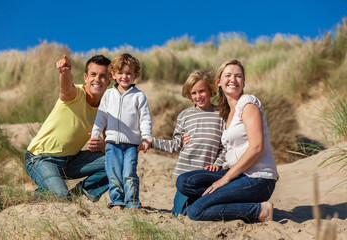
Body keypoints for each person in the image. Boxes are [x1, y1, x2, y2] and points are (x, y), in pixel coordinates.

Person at [176, 59, 279, 222]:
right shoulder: (226, 111)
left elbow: (257, 147)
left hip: (257, 179)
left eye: (238, 76)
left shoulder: (248, 103)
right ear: (219, 82)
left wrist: (225, 179)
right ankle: (220, 200)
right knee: (185, 181)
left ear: (243, 82)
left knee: (196, 211)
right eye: (228, 75)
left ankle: (260, 210)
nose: (233, 79)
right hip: (236, 174)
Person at [25, 55, 111, 202]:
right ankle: (36, 192)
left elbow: (111, 145)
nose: (97, 79)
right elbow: (66, 89)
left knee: (117, 160)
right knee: (61, 196)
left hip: (71, 161)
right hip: (41, 158)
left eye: (103, 76)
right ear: (85, 77)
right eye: (93, 74)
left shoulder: (105, 110)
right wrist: (65, 73)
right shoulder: (76, 94)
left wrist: (103, 146)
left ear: (109, 81)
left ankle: (78, 193)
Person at [147, 70, 225, 216]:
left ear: (210, 89)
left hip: (206, 176)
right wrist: (152, 142)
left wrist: (217, 163)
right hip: (185, 175)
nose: (198, 96)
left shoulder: (220, 114)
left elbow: (224, 145)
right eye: (193, 93)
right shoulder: (185, 115)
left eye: (202, 91)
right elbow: (174, 145)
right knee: (179, 214)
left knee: (199, 212)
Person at [91, 53, 152, 210]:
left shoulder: (139, 96)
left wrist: (146, 137)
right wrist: (95, 134)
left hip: (131, 144)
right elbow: (101, 117)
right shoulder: (108, 95)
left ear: (135, 75)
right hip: (112, 143)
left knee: (129, 174)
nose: (124, 76)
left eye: (128, 73)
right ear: (113, 75)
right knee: (114, 174)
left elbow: (145, 118)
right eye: (120, 73)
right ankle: (117, 201)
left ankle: (132, 202)